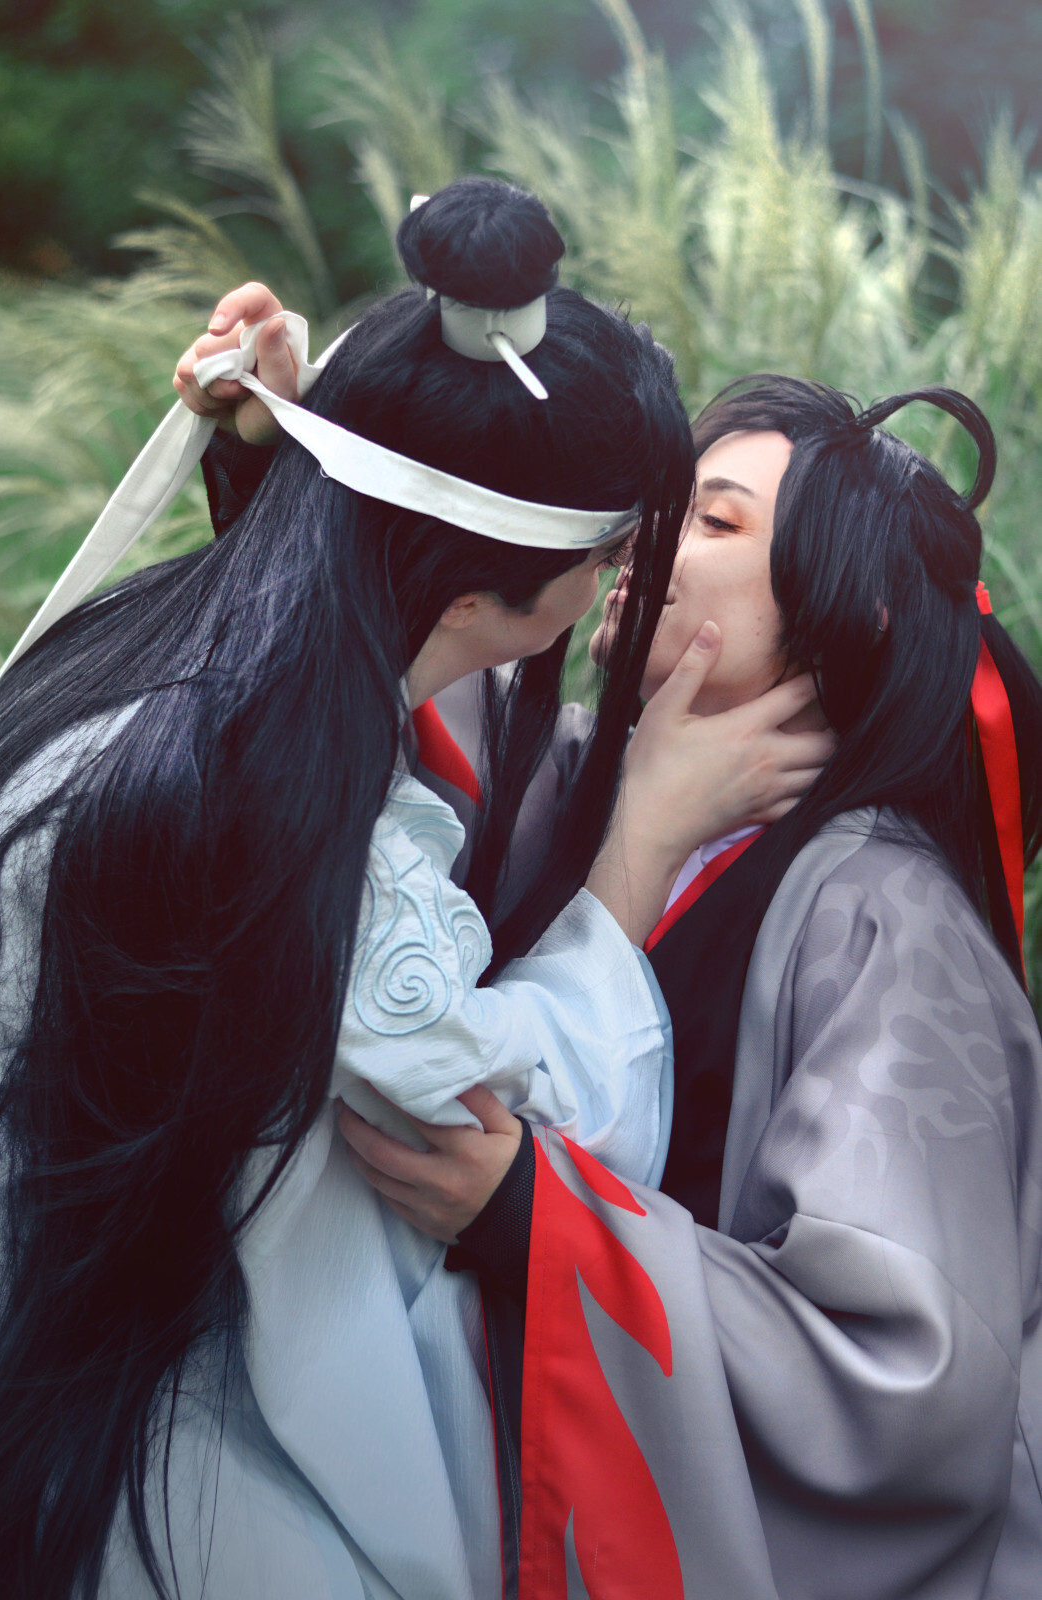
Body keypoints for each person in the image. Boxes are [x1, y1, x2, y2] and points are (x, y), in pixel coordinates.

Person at [0, 184, 829, 1600]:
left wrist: (283, 454)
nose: (630, 581)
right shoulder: (276, 818)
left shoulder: (162, 662)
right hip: (142, 1457)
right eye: (608, 555)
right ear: (480, 603)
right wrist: (649, 833)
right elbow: (496, 1106)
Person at [345, 375, 1042, 1598]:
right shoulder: (575, 778)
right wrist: (302, 470)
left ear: (853, 610)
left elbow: (900, 1371)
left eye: (713, 520)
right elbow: (382, 696)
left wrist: (537, 1217)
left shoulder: (885, 918)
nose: (646, 537)